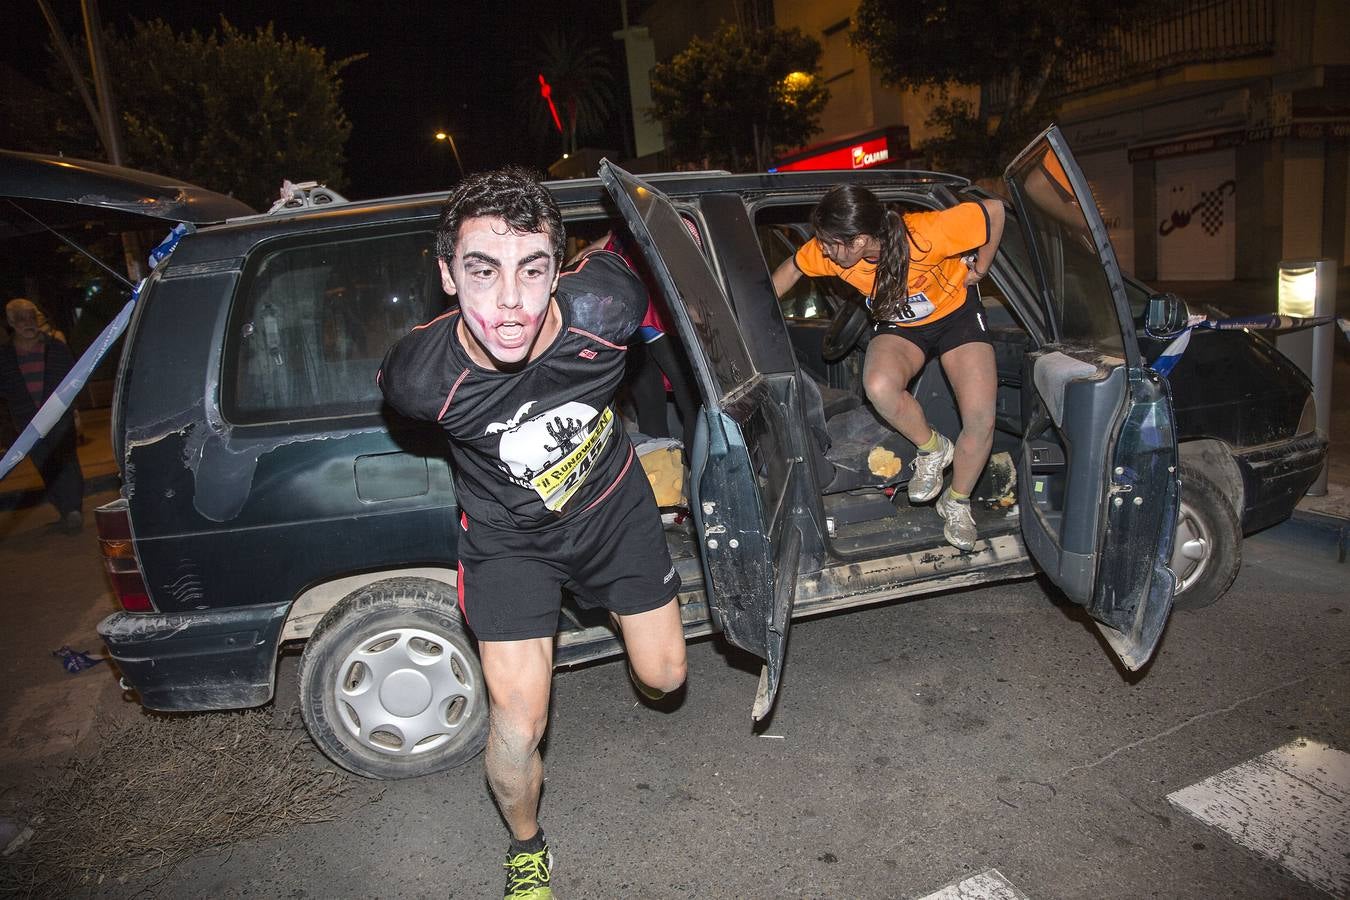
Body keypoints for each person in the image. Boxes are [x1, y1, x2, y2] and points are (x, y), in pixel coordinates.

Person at [378, 168, 687, 899]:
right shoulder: (421, 380)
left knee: (665, 678)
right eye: (483, 272)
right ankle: (526, 847)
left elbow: (671, 240)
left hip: (613, 509)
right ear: (448, 275)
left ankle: (624, 622)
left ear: (559, 270)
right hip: (508, 540)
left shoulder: (608, 307)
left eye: (532, 268)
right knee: (518, 722)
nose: (510, 302)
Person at [772, 186, 1005, 551]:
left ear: (861, 239)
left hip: (957, 315)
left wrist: (982, 266)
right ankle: (932, 448)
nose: (825, 251)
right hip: (899, 324)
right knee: (879, 386)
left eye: (833, 244)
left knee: (980, 418)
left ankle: (957, 500)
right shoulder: (829, 253)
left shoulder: (926, 234)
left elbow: (993, 209)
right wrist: (750, 316)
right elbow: (792, 269)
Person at [0, 298, 85, 533]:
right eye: (21, 319)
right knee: (44, 465)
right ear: (11, 322)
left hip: (59, 417)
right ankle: (65, 510)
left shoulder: (54, 348)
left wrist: (73, 410)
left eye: (31, 317)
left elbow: (74, 379)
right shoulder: (6, 357)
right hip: (27, 423)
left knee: (66, 461)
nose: (28, 323)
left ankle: (73, 509)